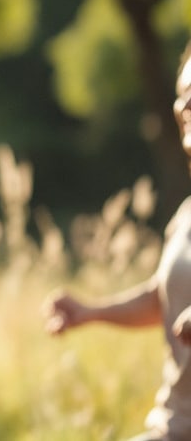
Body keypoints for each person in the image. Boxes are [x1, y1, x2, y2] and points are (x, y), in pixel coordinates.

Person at [44, 41, 191, 441]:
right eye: (183, 96)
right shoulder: (186, 215)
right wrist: (90, 312)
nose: (185, 108)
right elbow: (164, 297)